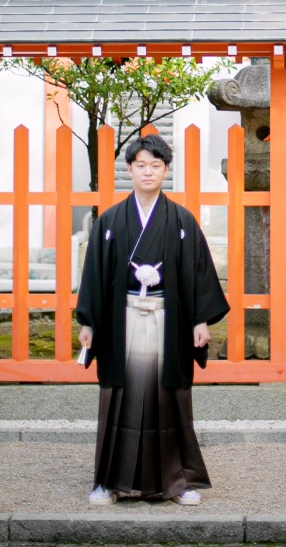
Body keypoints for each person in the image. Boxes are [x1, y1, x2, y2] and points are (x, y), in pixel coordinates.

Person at [76, 133, 229, 508]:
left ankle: (175, 483)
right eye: (141, 165)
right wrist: (88, 323)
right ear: (129, 169)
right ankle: (109, 482)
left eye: (156, 166)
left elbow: (197, 273)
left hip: (167, 320)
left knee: (168, 396)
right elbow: (94, 276)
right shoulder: (110, 220)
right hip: (121, 320)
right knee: (120, 397)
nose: (148, 172)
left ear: (165, 171)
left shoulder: (181, 220)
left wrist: (200, 320)